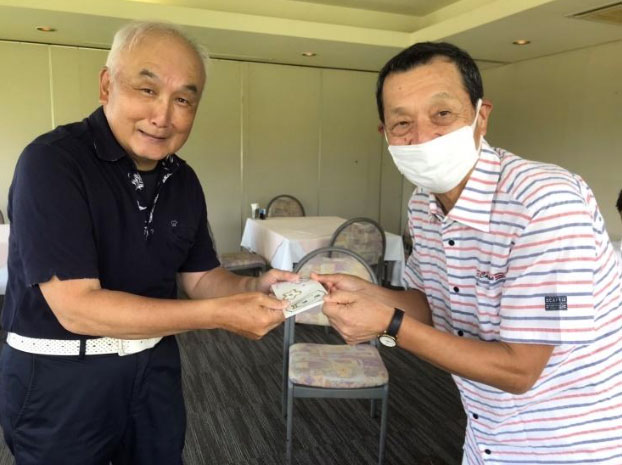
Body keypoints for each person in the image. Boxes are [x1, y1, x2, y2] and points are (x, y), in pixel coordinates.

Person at [0, 22, 296, 465]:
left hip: (153, 369)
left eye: (183, 100)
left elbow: (201, 279)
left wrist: (251, 288)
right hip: (60, 377)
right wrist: (218, 315)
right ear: (107, 85)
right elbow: (77, 308)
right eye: (147, 89)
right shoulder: (53, 162)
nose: (163, 116)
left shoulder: (183, 179)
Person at [315, 42, 622, 464]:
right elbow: (430, 303)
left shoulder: (544, 202)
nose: (422, 137)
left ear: (481, 116)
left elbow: (519, 370)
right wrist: (366, 292)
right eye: (402, 123)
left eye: (442, 114)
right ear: (385, 134)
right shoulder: (423, 205)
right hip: (487, 435)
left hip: (574, 445)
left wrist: (388, 323)